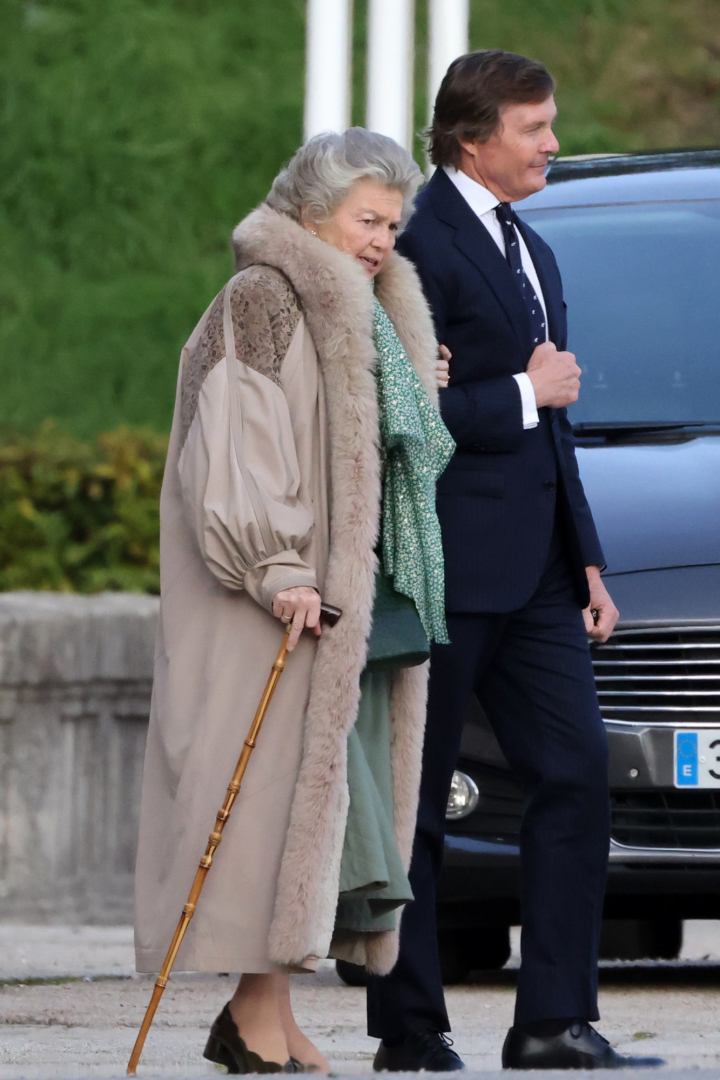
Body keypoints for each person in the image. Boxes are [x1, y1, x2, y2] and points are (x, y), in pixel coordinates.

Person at [367, 51, 665, 1072]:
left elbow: (555, 427)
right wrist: (526, 391)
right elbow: (407, 415)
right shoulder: (414, 249)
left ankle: (552, 1022)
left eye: (550, 124)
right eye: (533, 128)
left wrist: (587, 563)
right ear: (471, 138)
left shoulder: (534, 244)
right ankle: (408, 1031)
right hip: (442, 570)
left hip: (540, 576)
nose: (551, 142)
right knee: (416, 802)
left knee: (578, 772)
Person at [133, 128, 454, 1074]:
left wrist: (412, 389)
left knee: (312, 829)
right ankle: (253, 1023)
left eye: (393, 223)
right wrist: (279, 568)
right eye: (365, 220)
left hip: (339, 607)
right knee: (274, 820)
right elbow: (233, 450)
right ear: (310, 215)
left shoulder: (360, 311)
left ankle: (261, 1017)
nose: (381, 239)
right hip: (273, 602)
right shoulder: (263, 298)